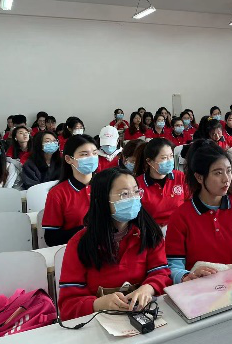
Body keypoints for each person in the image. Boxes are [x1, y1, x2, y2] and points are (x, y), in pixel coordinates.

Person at [58, 167, 170, 320]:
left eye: (136, 192)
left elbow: (162, 274)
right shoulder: (79, 244)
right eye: (124, 194)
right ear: (102, 199)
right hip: (98, 322)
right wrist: (97, 304)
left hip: (143, 316)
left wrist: (148, 288)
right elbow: (67, 305)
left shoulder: (149, 233)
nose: (133, 199)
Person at [166, 140, 232, 284]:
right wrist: (185, 276)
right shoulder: (181, 217)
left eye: (228, 171)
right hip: (202, 288)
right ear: (199, 177)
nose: (226, 179)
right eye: (218, 173)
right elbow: (173, 265)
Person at [42, 134, 98, 246]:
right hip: (76, 248)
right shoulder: (57, 193)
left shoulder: (107, 185)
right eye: (84, 154)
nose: (91, 158)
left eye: (95, 153)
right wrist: (86, 231)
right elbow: (51, 238)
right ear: (68, 159)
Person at [134, 138, 190, 228]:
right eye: (164, 158)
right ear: (149, 161)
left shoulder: (180, 177)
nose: (169, 160)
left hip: (179, 227)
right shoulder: (137, 184)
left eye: (171, 156)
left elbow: (190, 204)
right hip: (153, 230)